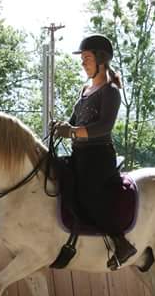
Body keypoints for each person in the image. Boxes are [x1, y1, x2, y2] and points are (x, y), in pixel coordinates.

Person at [50, 34, 137, 271]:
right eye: (83, 59)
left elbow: (103, 127)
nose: (83, 63)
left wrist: (72, 132)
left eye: (86, 58)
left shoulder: (110, 92)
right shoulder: (86, 89)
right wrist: (62, 127)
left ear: (101, 60)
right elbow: (74, 121)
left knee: (88, 193)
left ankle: (121, 243)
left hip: (99, 157)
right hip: (79, 155)